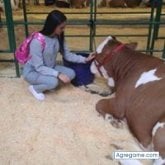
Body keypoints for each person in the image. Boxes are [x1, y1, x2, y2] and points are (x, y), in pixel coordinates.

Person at [22, 10, 95, 101]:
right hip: (34, 71)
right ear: (53, 26)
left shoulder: (58, 36)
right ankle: (35, 89)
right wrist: (58, 74)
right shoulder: (37, 41)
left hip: (50, 67)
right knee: (54, 82)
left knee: (71, 74)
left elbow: (67, 55)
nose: (63, 30)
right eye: (61, 28)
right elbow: (39, 67)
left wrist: (85, 59)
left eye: (64, 27)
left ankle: (48, 83)